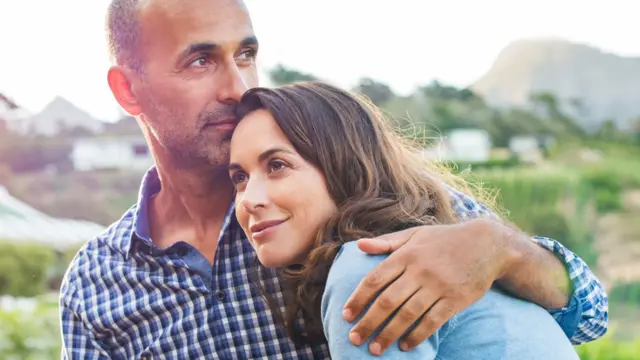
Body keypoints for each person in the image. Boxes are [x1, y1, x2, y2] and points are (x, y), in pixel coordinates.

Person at [59, 0, 607, 358]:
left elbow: (590, 316)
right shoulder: (95, 283)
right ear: (128, 91)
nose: (236, 85)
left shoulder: (347, 205)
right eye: (201, 62)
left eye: (246, 54)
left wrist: (502, 250)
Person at [228, 81, 581, 359]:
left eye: (277, 165)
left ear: (343, 168)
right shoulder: (422, 244)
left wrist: (505, 247)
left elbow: (592, 317)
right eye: (240, 178)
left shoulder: (369, 269)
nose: (250, 200)